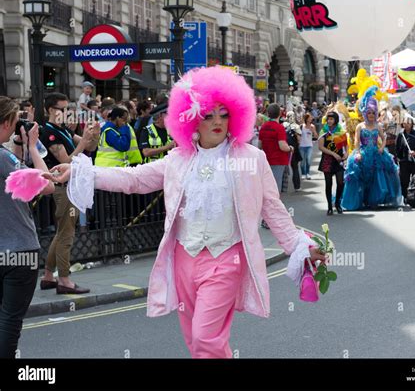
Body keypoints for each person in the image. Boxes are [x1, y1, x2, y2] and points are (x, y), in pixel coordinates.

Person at [45, 66, 327, 359]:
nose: (217, 121)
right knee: (196, 343)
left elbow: (273, 209)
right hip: (184, 261)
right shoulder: (179, 159)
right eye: (208, 114)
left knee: (206, 339)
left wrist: (300, 246)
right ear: (192, 117)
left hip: (225, 261)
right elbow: (135, 179)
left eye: (224, 113)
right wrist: (82, 172)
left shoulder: (251, 159)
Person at [0, 97, 54, 358]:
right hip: (19, 252)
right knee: (10, 320)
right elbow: (48, 184)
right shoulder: (3, 157)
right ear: (6, 124)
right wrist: (32, 147)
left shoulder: (7, 157)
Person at [40, 92, 100, 294]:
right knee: (67, 234)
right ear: (51, 110)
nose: (67, 113)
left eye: (68, 109)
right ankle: (64, 280)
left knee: (61, 232)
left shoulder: (61, 129)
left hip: (71, 187)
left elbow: (88, 147)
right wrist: (83, 142)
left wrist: (94, 135)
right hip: (63, 189)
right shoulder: (48, 133)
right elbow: (65, 162)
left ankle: (48, 276)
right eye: (62, 109)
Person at [341, 88, 402, 210]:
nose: (371, 115)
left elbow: (383, 138)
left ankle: (374, 200)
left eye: (373, 113)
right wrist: (357, 153)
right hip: (363, 153)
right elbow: (357, 141)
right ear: (365, 113)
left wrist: (382, 148)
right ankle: (361, 200)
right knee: (358, 175)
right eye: (369, 113)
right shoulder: (360, 126)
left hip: (376, 153)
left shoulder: (378, 125)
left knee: (378, 176)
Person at [258, 103, 294, 193]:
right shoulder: (279, 128)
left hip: (266, 160)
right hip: (278, 161)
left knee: (267, 187)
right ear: (279, 114)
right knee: (275, 188)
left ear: (268, 114)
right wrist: (290, 148)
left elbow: (260, 145)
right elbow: (282, 146)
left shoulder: (263, 127)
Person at [318, 110, 348, 215]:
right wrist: (333, 154)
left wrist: (346, 154)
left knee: (341, 182)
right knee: (328, 184)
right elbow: (320, 147)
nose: (329, 121)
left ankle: (338, 203)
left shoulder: (341, 131)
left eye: (331, 119)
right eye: (328, 119)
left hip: (339, 160)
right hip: (327, 161)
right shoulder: (324, 132)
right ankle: (329, 207)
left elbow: (345, 144)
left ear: (335, 120)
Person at [395, 116, 415, 203]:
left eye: (408, 123)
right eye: (405, 123)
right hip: (404, 161)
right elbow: (397, 147)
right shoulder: (401, 135)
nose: (406, 125)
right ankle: (406, 197)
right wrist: (399, 158)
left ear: (412, 124)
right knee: (404, 180)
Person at [283, 111, 302, 192]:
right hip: (294, 149)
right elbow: (299, 140)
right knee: (295, 168)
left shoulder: (283, 125)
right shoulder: (296, 126)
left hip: (284, 148)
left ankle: (282, 187)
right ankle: (297, 186)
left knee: (283, 168)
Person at [299, 113, 318, 180]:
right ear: (306, 119)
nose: (311, 119)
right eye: (310, 117)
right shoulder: (301, 126)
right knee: (302, 161)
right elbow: (298, 136)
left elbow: (316, 136)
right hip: (302, 146)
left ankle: (308, 173)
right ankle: (303, 173)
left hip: (309, 145)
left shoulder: (312, 126)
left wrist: (313, 131)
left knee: (308, 160)